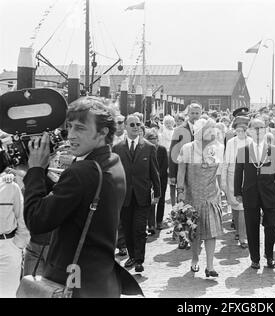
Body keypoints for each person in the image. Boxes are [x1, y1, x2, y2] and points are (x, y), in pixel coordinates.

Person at [23, 97, 142, 297]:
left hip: (73, 284)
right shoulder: (113, 161)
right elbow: (76, 198)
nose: (70, 135)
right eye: (69, 127)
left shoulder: (82, 172)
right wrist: (43, 175)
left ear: (103, 132)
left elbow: (36, 221)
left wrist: (35, 170)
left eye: (80, 128)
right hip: (101, 281)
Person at [234, 118, 275, 269]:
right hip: (250, 193)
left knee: (271, 225)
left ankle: (269, 255)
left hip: (270, 193)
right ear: (249, 131)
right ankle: (255, 259)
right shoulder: (243, 150)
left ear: (265, 130)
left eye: (261, 128)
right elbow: (238, 173)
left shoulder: (274, 150)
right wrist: (237, 191)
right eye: (255, 128)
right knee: (252, 227)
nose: (258, 131)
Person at [112, 114, 161, 272]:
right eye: (131, 124)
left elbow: (154, 172)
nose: (135, 127)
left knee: (139, 229)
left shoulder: (148, 147)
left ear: (141, 126)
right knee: (127, 228)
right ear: (125, 126)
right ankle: (132, 256)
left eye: (137, 124)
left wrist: (157, 193)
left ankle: (139, 260)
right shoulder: (117, 148)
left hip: (142, 195)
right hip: (124, 196)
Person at [177, 118, 224, 277]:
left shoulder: (218, 148)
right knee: (194, 232)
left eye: (214, 129)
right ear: (199, 131)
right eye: (208, 129)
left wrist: (223, 190)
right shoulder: (187, 148)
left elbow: (219, 173)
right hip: (193, 196)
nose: (212, 132)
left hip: (211, 196)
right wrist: (180, 191)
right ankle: (195, 259)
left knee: (212, 232)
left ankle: (210, 266)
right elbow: (181, 171)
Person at [0, 157, 30, 297]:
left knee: (8, 292)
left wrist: (18, 244)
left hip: (7, 245)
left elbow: (22, 217)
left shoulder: (10, 186)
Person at [221, 116, 251, 248]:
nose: (240, 131)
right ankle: (238, 231)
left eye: (243, 128)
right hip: (232, 177)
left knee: (243, 208)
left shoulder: (251, 142)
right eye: (238, 128)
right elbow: (226, 162)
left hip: (247, 177)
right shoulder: (231, 142)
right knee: (235, 206)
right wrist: (223, 182)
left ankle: (243, 237)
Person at [169, 103, 201, 209]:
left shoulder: (205, 130)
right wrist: (172, 174)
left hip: (199, 173)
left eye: (197, 113)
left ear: (200, 114)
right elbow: (173, 153)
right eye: (192, 113)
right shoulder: (179, 130)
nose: (195, 116)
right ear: (188, 114)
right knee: (183, 203)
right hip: (182, 172)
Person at [145, 128, 169, 231]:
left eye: (153, 138)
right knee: (150, 201)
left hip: (161, 178)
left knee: (161, 199)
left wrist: (157, 176)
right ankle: (151, 224)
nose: (152, 140)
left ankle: (159, 221)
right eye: (149, 138)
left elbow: (165, 165)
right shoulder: (145, 149)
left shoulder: (162, 149)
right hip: (148, 179)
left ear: (157, 139)